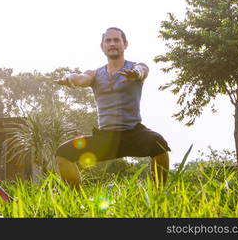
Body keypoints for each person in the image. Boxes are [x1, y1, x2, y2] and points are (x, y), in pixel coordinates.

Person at [54, 27, 170, 187]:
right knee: (63, 153)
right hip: (105, 138)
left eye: (116, 40)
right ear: (102, 47)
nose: (112, 44)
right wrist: (70, 78)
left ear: (125, 44)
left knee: (158, 143)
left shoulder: (135, 67)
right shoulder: (95, 74)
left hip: (133, 133)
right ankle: (79, 202)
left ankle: (159, 193)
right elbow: (82, 78)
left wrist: (136, 74)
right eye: (108, 41)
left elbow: (143, 70)